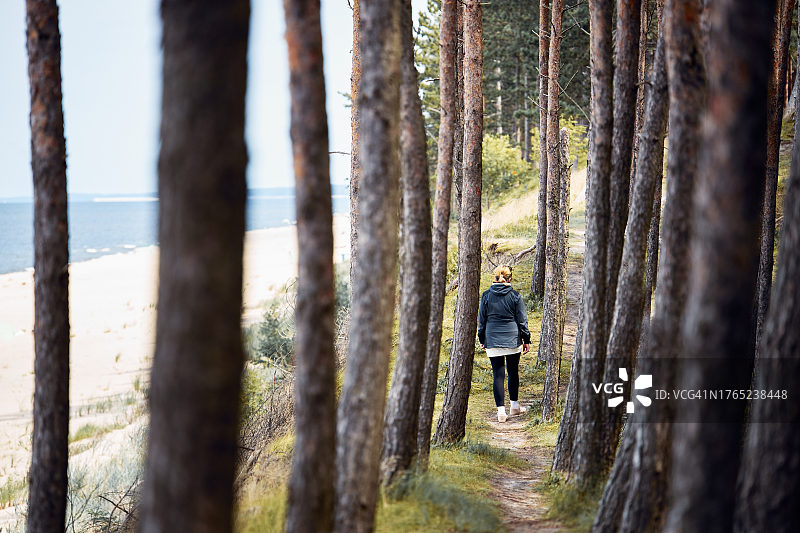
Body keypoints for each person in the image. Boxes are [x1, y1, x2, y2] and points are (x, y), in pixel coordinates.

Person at [478, 265, 531, 422]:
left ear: (495, 278)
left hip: (492, 338)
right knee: (513, 372)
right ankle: (514, 406)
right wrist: (526, 339)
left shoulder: (486, 296)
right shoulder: (515, 296)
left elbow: (482, 321)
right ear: (510, 278)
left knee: (498, 374)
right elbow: (522, 321)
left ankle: (501, 412)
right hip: (512, 338)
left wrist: (482, 339)